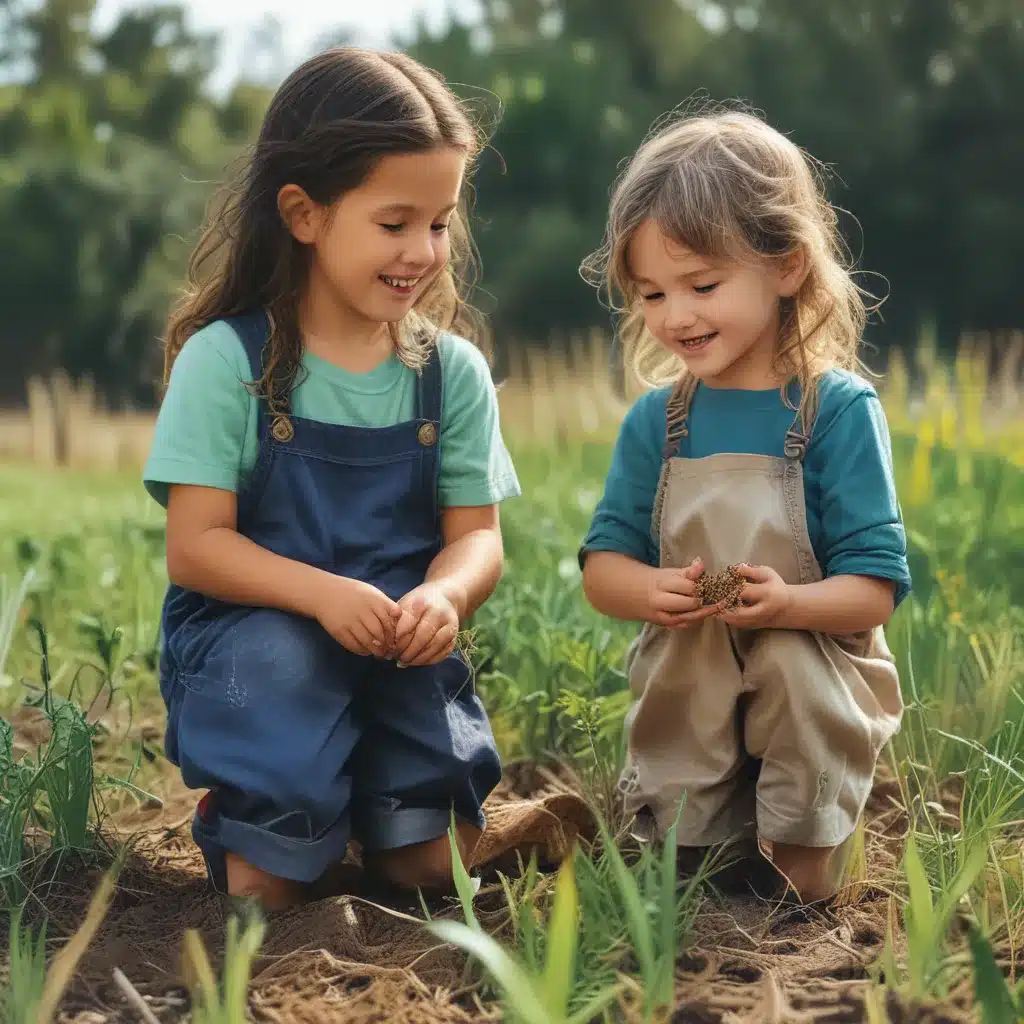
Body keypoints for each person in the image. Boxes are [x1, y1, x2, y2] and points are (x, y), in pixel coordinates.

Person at [143, 47, 520, 910]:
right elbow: (196, 549)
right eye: (395, 224)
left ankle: (360, 805)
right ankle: (256, 807)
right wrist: (320, 597)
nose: (422, 251)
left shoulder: (450, 373)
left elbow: (477, 537)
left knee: (432, 870)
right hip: (259, 643)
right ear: (304, 215)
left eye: (439, 222)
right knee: (268, 883)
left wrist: (447, 599)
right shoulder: (227, 362)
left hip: (396, 642)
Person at [578, 106, 910, 904]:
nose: (676, 316)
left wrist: (788, 603)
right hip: (697, 650)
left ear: (787, 265)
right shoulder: (657, 421)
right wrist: (646, 592)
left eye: (702, 285)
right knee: (685, 671)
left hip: (815, 653)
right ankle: (697, 856)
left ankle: (803, 875)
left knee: (793, 672)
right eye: (652, 293)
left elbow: (874, 591)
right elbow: (602, 568)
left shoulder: (834, 411)